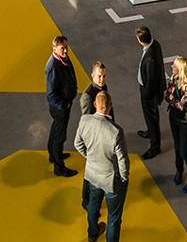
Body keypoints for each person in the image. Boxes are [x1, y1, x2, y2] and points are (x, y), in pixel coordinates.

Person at [75, 92, 129, 242]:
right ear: (110, 106)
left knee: (93, 206)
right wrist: (124, 177)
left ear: (94, 104)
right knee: (114, 218)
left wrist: (89, 157)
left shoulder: (84, 120)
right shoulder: (116, 131)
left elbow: (77, 144)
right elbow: (123, 159)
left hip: (92, 175)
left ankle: (92, 234)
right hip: (111, 180)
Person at [79, 61, 113, 212]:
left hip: (104, 136)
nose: (102, 79)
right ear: (92, 75)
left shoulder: (103, 88)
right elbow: (86, 122)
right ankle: (86, 201)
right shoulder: (87, 96)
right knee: (90, 174)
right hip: (94, 141)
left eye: (104, 76)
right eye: (99, 76)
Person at [165, 57, 187, 194]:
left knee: (184, 151)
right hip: (174, 118)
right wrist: (173, 99)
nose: (171, 67)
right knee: (177, 147)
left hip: (185, 122)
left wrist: (172, 99)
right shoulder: (174, 78)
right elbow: (166, 96)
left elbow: (183, 106)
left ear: (181, 69)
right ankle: (179, 171)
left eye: (174, 66)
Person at [46, 35, 78, 177]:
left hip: (62, 105)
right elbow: (51, 94)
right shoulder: (53, 67)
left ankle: (53, 155)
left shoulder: (62, 58)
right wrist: (64, 105)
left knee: (55, 129)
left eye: (66, 47)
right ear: (54, 49)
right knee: (60, 136)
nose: (65, 50)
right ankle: (59, 168)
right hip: (60, 108)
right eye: (61, 48)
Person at [135, 25, 164, 159]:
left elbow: (151, 82)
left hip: (149, 92)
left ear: (140, 40)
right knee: (151, 116)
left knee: (151, 117)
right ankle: (150, 132)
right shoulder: (155, 44)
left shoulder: (150, 59)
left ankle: (155, 146)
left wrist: (145, 95)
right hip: (150, 89)